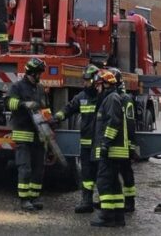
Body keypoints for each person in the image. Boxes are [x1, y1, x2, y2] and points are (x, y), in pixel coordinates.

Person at [53, 64, 101, 213]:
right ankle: (86, 201)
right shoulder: (81, 97)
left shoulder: (104, 97)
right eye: (84, 80)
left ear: (94, 80)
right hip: (86, 144)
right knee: (86, 174)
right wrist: (58, 117)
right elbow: (69, 108)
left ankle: (106, 205)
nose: (84, 83)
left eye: (86, 80)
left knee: (103, 173)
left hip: (100, 144)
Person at [6, 56, 47, 211]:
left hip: (39, 133)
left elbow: (44, 107)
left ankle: (34, 197)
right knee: (25, 167)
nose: (40, 76)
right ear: (32, 72)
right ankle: (24, 200)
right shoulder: (17, 87)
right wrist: (24, 104)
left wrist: (50, 120)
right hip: (23, 132)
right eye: (39, 73)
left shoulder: (40, 88)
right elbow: (9, 103)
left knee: (39, 167)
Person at [91, 69, 129, 228]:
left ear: (105, 85)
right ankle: (118, 216)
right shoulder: (111, 98)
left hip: (111, 149)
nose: (97, 88)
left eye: (98, 85)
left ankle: (106, 216)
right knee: (113, 182)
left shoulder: (111, 99)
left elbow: (113, 123)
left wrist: (105, 143)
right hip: (114, 149)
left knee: (104, 182)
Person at [107, 68, 138, 213]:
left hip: (124, 144)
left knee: (126, 173)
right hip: (114, 143)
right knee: (112, 174)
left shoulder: (125, 99)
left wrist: (131, 146)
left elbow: (130, 124)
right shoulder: (112, 98)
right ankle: (115, 202)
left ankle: (130, 202)